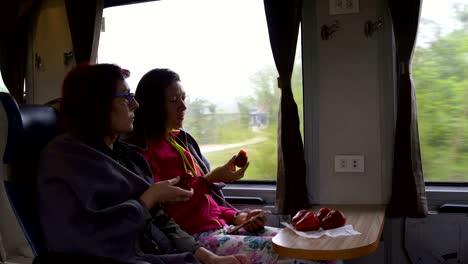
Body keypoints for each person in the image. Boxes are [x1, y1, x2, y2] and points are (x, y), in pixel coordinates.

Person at [36, 63, 250, 264]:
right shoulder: (66, 157)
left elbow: (162, 220)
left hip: (156, 254)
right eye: (126, 97)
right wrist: (149, 197)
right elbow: (94, 236)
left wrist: (210, 259)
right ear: (98, 103)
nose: (135, 105)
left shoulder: (127, 156)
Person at [129, 68, 283, 264]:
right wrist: (209, 179)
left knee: (294, 238)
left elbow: (208, 203)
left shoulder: (181, 141)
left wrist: (238, 216)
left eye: (184, 98)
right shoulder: (145, 152)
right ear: (153, 106)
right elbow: (167, 215)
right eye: (174, 100)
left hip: (223, 227)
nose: (183, 107)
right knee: (290, 250)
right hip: (196, 239)